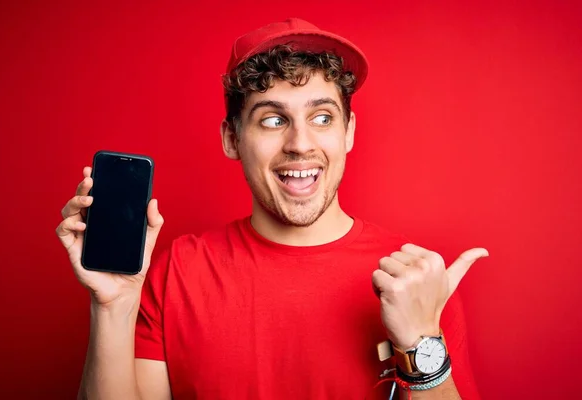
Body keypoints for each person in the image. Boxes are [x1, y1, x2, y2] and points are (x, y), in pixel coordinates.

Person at [56, 18, 488, 400]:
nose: (301, 143)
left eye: (322, 117)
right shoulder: (177, 275)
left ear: (349, 131)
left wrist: (421, 341)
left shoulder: (416, 280)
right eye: (273, 120)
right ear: (231, 138)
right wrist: (112, 307)